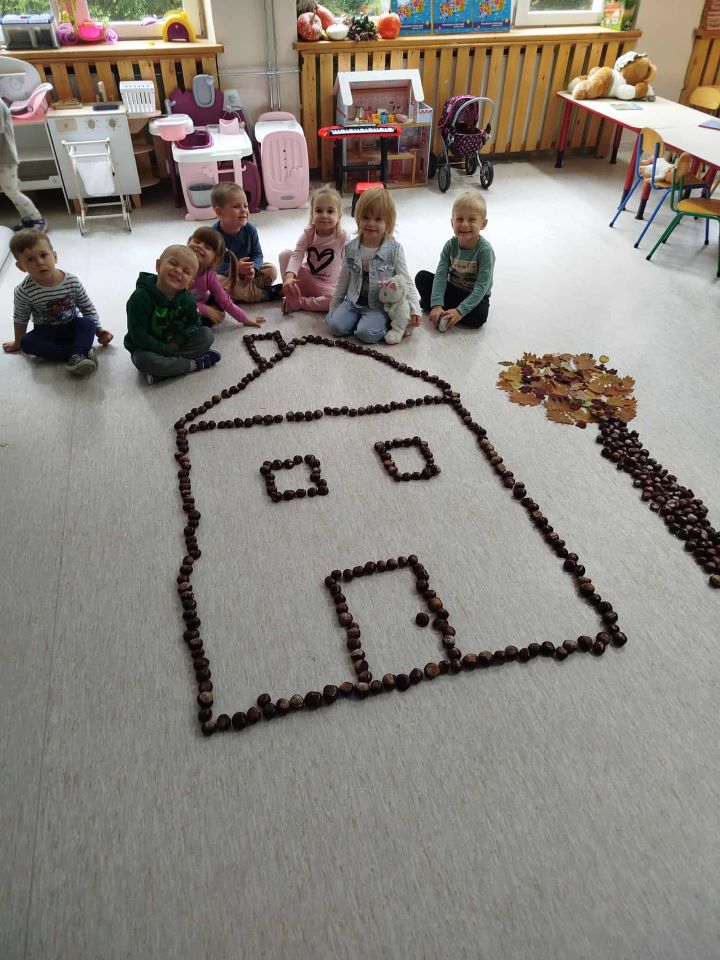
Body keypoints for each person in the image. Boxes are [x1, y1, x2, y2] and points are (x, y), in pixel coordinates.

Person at [2, 229, 112, 376]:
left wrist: (99, 330)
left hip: (72, 324)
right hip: (45, 331)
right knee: (26, 343)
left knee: (88, 323)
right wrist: (17, 342)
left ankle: (78, 353)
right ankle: (78, 354)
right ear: (21, 266)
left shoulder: (71, 281)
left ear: (54, 256)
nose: (40, 262)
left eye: (43, 255)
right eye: (30, 259)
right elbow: (20, 318)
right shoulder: (23, 291)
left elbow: (86, 306)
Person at [327, 187, 421, 344]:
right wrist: (334, 307)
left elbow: (406, 281)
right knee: (335, 326)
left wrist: (415, 309)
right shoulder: (350, 247)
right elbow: (342, 280)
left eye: (378, 219)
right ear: (358, 218)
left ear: (388, 222)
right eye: (366, 217)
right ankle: (356, 320)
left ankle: (387, 322)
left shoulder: (394, 250)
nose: (371, 223)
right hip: (353, 301)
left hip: (378, 305)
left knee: (366, 334)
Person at [124, 244, 220, 385]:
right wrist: (166, 350)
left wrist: (179, 340)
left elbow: (195, 324)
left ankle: (164, 372)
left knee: (207, 335)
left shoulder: (188, 300)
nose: (178, 271)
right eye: (173, 264)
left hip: (176, 344)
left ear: (190, 283)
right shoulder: (139, 298)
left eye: (186, 271)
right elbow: (139, 336)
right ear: (158, 265)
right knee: (142, 360)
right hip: (147, 349)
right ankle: (193, 364)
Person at [415, 191, 494, 332]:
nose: (464, 224)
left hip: (475, 296)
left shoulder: (485, 251)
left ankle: (443, 310)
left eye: (472, 219)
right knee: (421, 277)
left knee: (480, 315)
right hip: (452, 288)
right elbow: (441, 275)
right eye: (459, 219)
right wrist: (437, 304)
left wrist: (460, 311)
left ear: (483, 224)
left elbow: (482, 287)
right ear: (452, 223)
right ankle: (439, 308)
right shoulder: (450, 246)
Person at [279, 184, 347, 314]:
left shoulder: (342, 237)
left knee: (335, 301)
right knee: (285, 254)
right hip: (304, 279)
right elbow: (297, 255)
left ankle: (300, 302)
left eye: (330, 211)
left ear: (339, 216)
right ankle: (292, 291)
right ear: (312, 214)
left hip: (326, 286)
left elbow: (348, 264)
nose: (324, 215)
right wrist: (288, 277)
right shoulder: (308, 234)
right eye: (319, 211)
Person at [210, 182, 280, 303]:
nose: (244, 210)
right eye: (236, 206)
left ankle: (239, 293)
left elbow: (257, 254)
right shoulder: (213, 235)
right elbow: (213, 265)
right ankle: (262, 295)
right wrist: (235, 268)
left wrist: (254, 269)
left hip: (247, 274)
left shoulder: (250, 228)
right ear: (219, 212)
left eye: (246, 206)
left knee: (271, 270)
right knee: (215, 280)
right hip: (227, 275)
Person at [187, 226, 265, 328]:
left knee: (221, 303)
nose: (200, 246)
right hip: (179, 304)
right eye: (197, 242)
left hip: (201, 300)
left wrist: (244, 319)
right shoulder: (180, 268)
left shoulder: (210, 275)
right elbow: (174, 298)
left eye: (207, 247)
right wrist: (205, 310)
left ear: (215, 260)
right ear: (189, 242)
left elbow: (225, 301)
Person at [0, 99, 47, 232]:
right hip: (3, 157)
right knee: (10, 192)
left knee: (13, 192)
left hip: (6, 157)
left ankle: (38, 219)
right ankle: (27, 220)